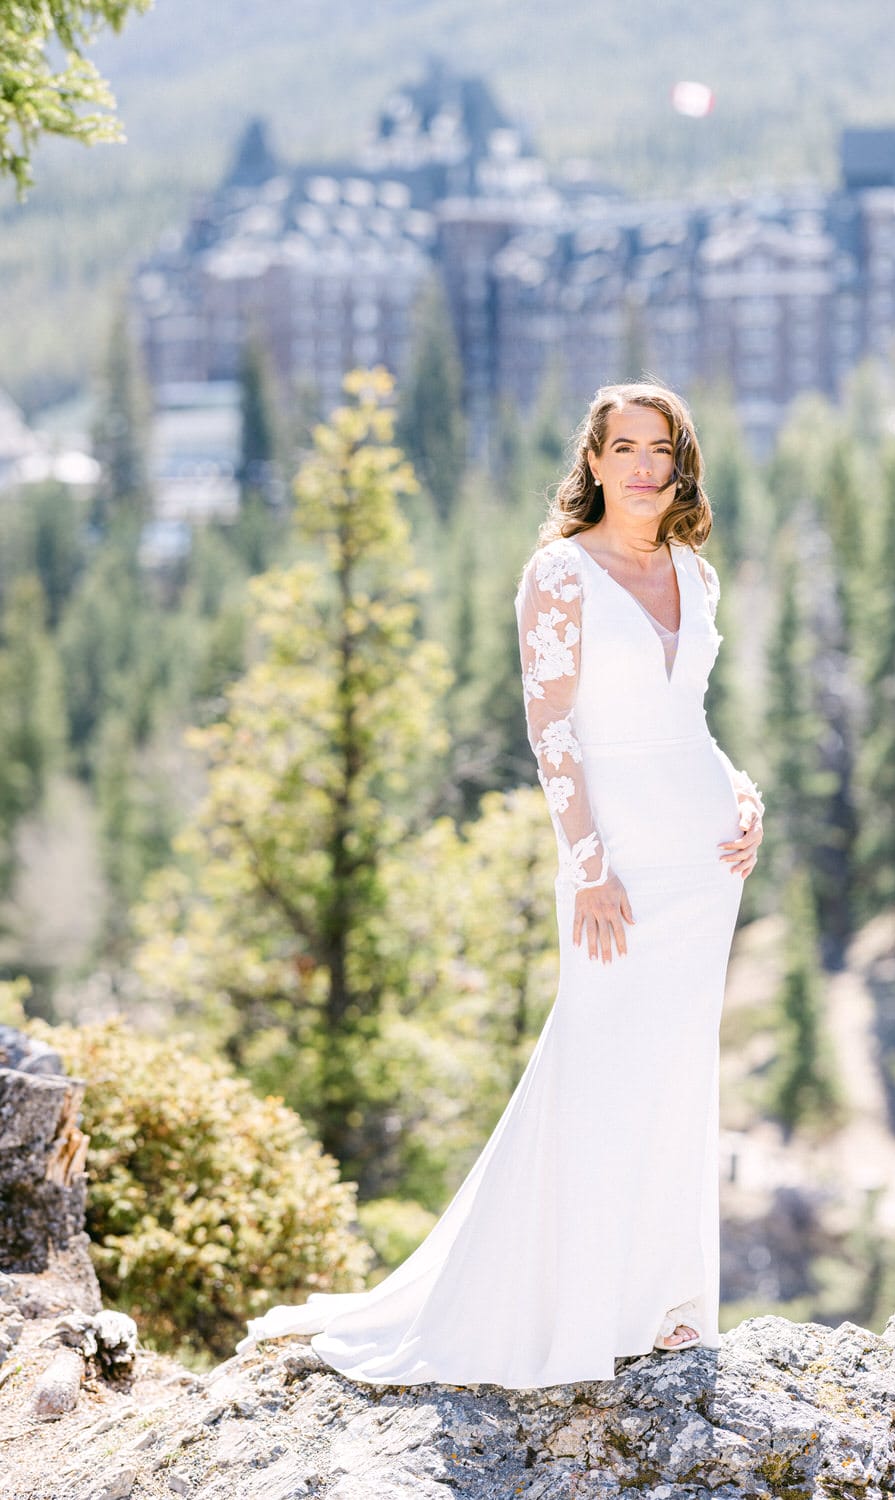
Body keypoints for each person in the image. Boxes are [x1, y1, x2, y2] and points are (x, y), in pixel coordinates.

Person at [236, 379, 764, 1387]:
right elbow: (552, 726)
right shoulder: (558, 574)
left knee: (675, 1069)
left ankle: (667, 1304)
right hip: (615, 863)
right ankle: (560, 1309)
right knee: (595, 1061)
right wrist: (591, 866)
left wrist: (743, 793)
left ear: (679, 459)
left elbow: (680, 719)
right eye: (625, 448)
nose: (645, 465)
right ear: (595, 462)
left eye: (662, 448)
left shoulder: (695, 575)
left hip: (705, 861)